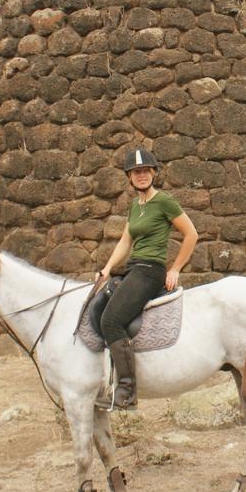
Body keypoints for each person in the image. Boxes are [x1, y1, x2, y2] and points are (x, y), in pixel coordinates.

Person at [94, 147, 199, 410]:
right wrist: (107, 268)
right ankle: (103, 380)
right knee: (98, 307)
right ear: (129, 177)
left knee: (112, 321)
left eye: (145, 170)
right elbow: (125, 241)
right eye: (136, 172)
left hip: (150, 270)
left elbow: (192, 235)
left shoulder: (164, 202)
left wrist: (174, 269)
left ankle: (127, 391)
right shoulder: (134, 206)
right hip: (132, 268)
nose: (141, 175)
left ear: (153, 173)